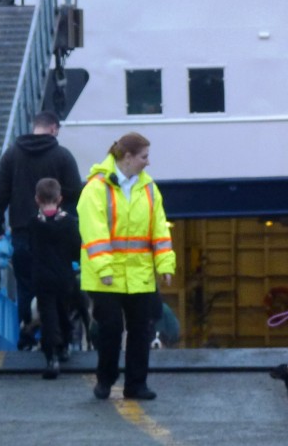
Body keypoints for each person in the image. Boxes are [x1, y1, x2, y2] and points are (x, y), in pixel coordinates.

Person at [77, 132, 176, 401]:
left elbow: (159, 229)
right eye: (144, 157)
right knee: (110, 330)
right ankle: (105, 380)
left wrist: (165, 264)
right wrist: (106, 269)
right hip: (105, 276)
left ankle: (136, 384)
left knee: (141, 330)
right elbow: (94, 233)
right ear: (128, 157)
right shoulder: (96, 188)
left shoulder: (149, 188)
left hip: (139, 273)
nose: (148, 162)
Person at [0, 110, 82, 349]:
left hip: (23, 233)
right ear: (53, 129)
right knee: (60, 285)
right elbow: (77, 196)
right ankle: (60, 339)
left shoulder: (11, 155)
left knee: (27, 287)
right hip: (57, 233)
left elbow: (0, 192)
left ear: (35, 127)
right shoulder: (63, 156)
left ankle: (27, 338)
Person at [28, 178, 81, 379]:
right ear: (59, 198)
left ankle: (51, 358)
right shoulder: (68, 222)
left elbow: (30, 248)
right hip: (64, 277)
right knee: (63, 312)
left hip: (43, 277)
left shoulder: (33, 223)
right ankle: (66, 346)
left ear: (37, 199)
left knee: (48, 316)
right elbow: (77, 249)